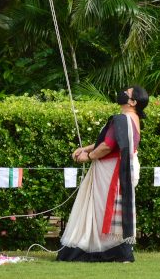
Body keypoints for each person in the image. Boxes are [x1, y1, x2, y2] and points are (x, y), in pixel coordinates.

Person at [57, 85, 149, 263]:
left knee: (100, 210)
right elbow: (108, 141)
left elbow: (107, 146)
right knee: (103, 209)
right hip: (118, 169)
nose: (122, 93)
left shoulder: (123, 119)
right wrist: (85, 148)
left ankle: (98, 249)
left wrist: (88, 157)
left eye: (127, 93)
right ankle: (112, 249)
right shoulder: (133, 119)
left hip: (111, 171)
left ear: (133, 102)